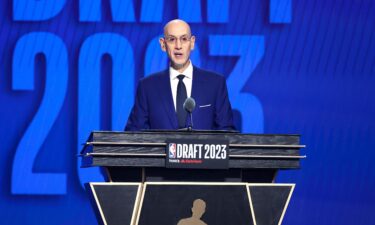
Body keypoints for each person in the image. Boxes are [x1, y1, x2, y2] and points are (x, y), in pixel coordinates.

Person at [125, 19, 234, 131]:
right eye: (172, 39)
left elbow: (227, 133)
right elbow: (134, 134)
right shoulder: (147, 87)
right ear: (163, 44)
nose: (178, 46)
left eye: (184, 39)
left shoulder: (215, 84)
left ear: (192, 43)